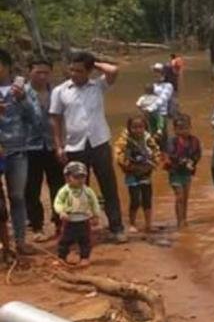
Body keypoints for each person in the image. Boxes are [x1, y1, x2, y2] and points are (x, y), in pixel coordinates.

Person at [49, 51, 127, 243]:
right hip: (74, 146)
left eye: (80, 70)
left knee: (108, 187)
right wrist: (59, 146)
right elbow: (56, 120)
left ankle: (116, 227)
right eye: (72, 69)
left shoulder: (98, 86)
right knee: (77, 190)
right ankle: (80, 231)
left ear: (89, 71)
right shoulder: (60, 91)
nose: (74, 74)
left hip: (99, 143)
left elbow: (114, 70)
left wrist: (96, 64)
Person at [0, 49, 43, 255]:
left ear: (7, 66)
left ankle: (20, 241)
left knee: (17, 197)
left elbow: (36, 120)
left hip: (18, 152)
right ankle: (4, 244)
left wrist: (24, 99)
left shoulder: (24, 89)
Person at [25, 58, 63, 242]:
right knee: (31, 188)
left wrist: (62, 144)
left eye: (46, 73)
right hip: (29, 146)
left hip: (53, 145)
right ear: (29, 72)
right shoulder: (20, 93)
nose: (42, 76)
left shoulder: (57, 92)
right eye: (38, 72)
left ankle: (59, 223)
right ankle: (37, 226)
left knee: (58, 185)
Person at [114, 115, 161, 234]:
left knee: (147, 198)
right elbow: (118, 155)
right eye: (134, 127)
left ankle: (148, 224)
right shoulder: (124, 140)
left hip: (146, 172)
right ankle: (132, 223)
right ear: (129, 128)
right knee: (135, 199)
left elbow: (156, 152)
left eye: (140, 127)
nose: (138, 130)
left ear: (145, 127)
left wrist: (152, 165)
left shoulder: (148, 138)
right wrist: (130, 166)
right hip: (132, 173)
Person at [53, 160, 100, 266]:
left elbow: (94, 203)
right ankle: (62, 257)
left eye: (82, 177)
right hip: (69, 220)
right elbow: (58, 202)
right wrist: (61, 212)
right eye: (76, 177)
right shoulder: (64, 191)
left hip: (83, 220)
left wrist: (96, 215)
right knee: (64, 240)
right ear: (68, 178)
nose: (80, 180)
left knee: (85, 240)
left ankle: (84, 258)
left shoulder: (88, 191)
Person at [164, 114, 202, 228]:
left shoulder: (194, 141)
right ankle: (179, 221)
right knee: (179, 196)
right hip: (175, 172)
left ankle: (184, 219)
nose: (183, 131)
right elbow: (171, 155)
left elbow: (197, 154)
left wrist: (193, 162)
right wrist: (183, 161)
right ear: (175, 129)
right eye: (180, 128)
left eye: (185, 128)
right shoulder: (173, 141)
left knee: (185, 197)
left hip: (187, 173)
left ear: (190, 127)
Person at [151, 63, 175, 130]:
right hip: (151, 113)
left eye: (158, 72)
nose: (155, 74)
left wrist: (152, 107)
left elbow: (163, 98)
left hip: (161, 114)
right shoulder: (153, 85)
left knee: (161, 135)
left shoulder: (168, 85)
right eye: (154, 72)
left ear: (164, 74)